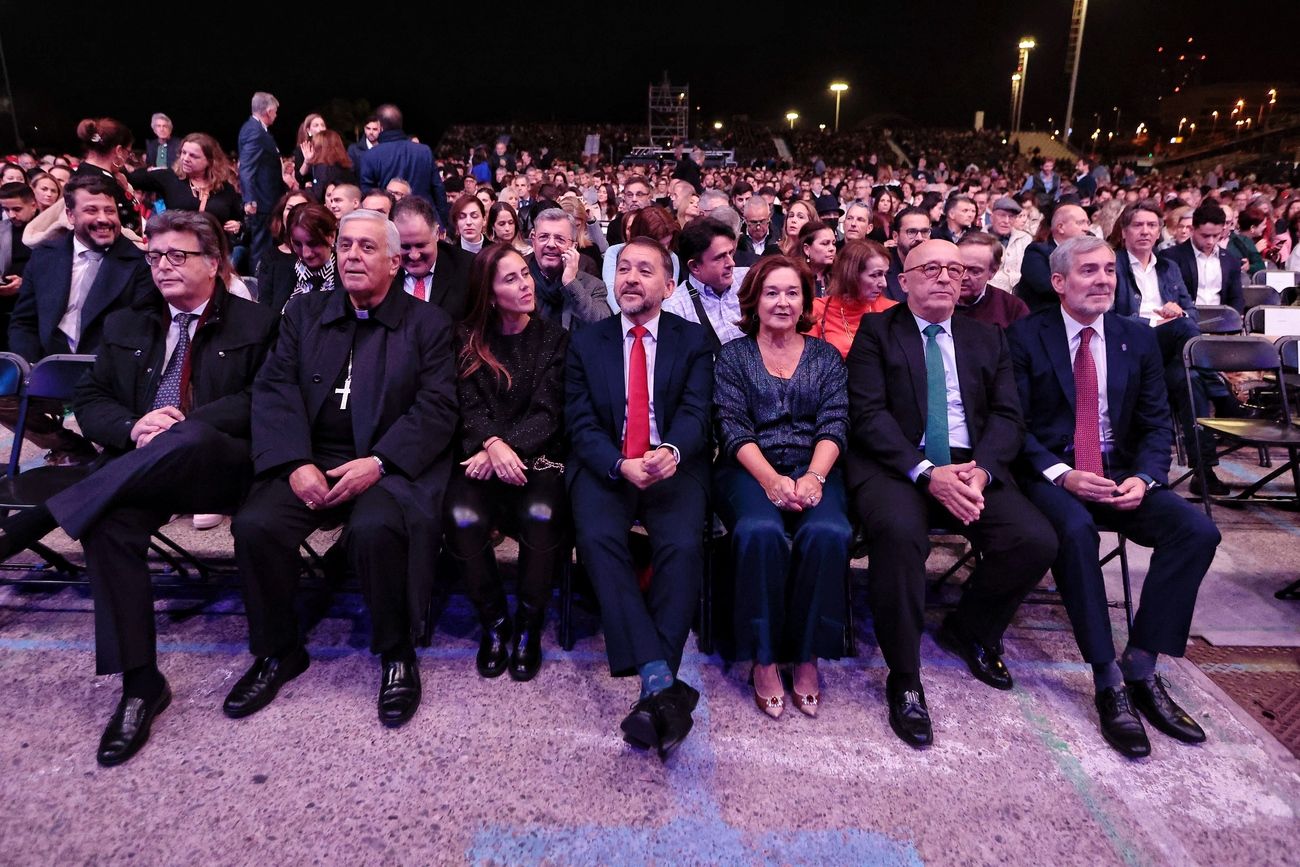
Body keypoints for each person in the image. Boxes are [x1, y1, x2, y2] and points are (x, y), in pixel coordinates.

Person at [0, 210, 276, 766]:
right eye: (154, 256)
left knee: (190, 438)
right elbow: (94, 400)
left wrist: (179, 426)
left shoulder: (258, 322)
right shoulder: (128, 322)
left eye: (179, 255)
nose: (163, 266)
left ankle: (67, 499)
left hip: (219, 465)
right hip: (140, 467)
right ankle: (140, 683)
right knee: (107, 521)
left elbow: (263, 400)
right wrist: (134, 426)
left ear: (214, 262)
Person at [227, 209, 457, 727]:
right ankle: (278, 649)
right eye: (346, 246)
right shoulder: (305, 313)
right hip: (310, 454)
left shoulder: (428, 324)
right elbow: (275, 388)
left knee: (376, 528)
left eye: (367, 248)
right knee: (256, 525)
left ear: (396, 263)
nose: (352, 255)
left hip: (387, 459)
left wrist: (379, 462)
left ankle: (396, 652)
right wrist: (292, 462)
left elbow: (438, 407)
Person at [1007, 235, 1221, 759]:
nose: (1103, 279)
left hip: (1121, 473)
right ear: (1058, 282)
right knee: (1076, 531)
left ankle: (1141, 667)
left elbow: (1154, 425)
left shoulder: (1136, 337)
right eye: (1088, 271)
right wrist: (1062, 474)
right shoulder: (1023, 336)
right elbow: (1013, 427)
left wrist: (1145, 479)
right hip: (1053, 474)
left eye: (1108, 269)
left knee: (1196, 531)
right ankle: (1107, 679)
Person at [845, 238, 1058, 748]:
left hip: (970, 467)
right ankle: (904, 675)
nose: (945, 278)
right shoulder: (877, 331)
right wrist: (925, 471)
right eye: (932, 268)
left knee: (1034, 540)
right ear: (905, 280)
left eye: (955, 270)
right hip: (897, 466)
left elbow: (1009, 416)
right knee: (898, 535)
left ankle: (971, 629)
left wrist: (982, 471)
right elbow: (868, 415)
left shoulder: (988, 337)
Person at [564, 237, 713, 761]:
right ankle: (659, 679)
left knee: (681, 546)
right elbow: (579, 421)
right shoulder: (588, 341)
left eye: (644, 270)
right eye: (623, 268)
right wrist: (617, 462)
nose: (630, 278)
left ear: (668, 286)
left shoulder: (693, 342)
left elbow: (698, 412)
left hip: (672, 465)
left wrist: (671, 449)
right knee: (599, 538)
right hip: (608, 465)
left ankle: (653, 688)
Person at [712, 256, 850, 719]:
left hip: (817, 466)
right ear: (754, 299)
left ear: (806, 302)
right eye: (772, 292)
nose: (783, 302)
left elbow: (835, 422)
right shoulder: (733, 356)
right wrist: (771, 480)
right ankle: (764, 657)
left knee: (828, 532)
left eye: (793, 293)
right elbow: (732, 429)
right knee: (758, 531)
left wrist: (813, 476)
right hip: (749, 468)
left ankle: (807, 654)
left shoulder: (826, 356)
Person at [445, 243, 569, 682]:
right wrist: (490, 445)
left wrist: (501, 446)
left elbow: (548, 411)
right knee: (461, 515)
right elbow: (466, 404)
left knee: (541, 512)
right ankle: (495, 623)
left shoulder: (554, 338)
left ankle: (528, 627)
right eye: (511, 279)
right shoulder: (466, 338)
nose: (525, 284)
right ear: (490, 292)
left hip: (537, 457)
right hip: (481, 454)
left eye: (526, 273)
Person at [1110, 201, 1220, 495]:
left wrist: (1178, 312)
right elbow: (1106, 316)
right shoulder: (1113, 264)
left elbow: (1191, 312)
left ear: (1160, 231)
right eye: (1138, 225)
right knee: (1185, 332)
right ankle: (1221, 389)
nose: (1145, 231)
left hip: (1167, 353)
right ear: (1124, 231)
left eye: (1151, 225)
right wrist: (1152, 321)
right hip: (1129, 347)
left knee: (1190, 380)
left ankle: (1203, 470)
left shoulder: (1168, 267)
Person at [127, 133, 243, 240]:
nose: (185, 159)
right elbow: (132, 179)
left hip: (214, 253)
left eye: (193, 156)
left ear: (210, 160)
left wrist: (238, 225)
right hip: (179, 250)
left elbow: (239, 218)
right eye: (183, 152)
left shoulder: (224, 188)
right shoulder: (170, 178)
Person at [661, 216, 745, 349]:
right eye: (720, 257)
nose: (731, 263)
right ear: (694, 266)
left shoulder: (749, 280)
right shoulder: (675, 309)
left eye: (731, 253)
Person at [359, 104, 449, 227]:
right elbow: (438, 189)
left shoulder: (370, 156)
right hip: (425, 222)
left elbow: (368, 196)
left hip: (389, 225)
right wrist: (442, 223)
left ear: (380, 126)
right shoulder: (424, 151)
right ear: (400, 124)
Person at [524, 207, 611, 330]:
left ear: (573, 247)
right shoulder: (519, 280)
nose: (551, 244)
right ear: (533, 241)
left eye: (560, 239)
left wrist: (571, 283)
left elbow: (604, 326)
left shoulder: (593, 286)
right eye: (543, 237)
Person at [390, 196, 475, 320]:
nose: (414, 255)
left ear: (437, 234)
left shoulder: (467, 268)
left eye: (420, 245)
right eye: (405, 247)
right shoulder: (381, 271)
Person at [810, 239, 897, 357]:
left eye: (884, 274)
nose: (884, 283)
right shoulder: (818, 309)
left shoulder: (892, 311)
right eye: (875, 275)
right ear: (851, 276)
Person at [1158, 203, 1244, 313]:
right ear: (1192, 230)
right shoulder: (1171, 257)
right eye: (1205, 235)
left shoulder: (1230, 260)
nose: (1210, 241)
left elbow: (1236, 298)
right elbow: (1167, 295)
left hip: (1221, 321)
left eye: (1216, 235)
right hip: (1184, 321)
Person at [256, 202, 337, 314]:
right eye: (298, 244)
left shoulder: (346, 278)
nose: (306, 253)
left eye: (313, 243)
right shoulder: (278, 271)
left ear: (332, 236)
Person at [239, 92, 287, 267]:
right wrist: (250, 199)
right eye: (275, 112)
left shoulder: (257, 130)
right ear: (269, 110)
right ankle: (258, 287)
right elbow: (246, 166)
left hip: (266, 200)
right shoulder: (254, 131)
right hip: (262, 201)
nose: (276, 115)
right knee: (261, 247)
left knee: (265, 245)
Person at [1016, 203, 1090, 313]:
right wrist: (1085, 286)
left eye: (1088, 223)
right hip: (1043, 317)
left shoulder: (1088, 253)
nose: (1086, 229)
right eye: (1080, 223)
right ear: (1061, 227)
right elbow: (1046, 287)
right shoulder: (1036, 251)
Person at [955, 233, 1030, 329]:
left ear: (993, 272)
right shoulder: (934, 301)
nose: (964, 277)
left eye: (975, 271)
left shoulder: (1012, 308)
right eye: (957, 268)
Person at [884, 207, 934, 302]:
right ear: (895, 236)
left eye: (924, 232)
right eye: (911, 232)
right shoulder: (883, 268)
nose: (919, 238)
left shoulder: (939, 265)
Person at [985, 197, 1032, 292]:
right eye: (1002, 215)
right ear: (992, 217)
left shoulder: (1025, 239)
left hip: (1020, 294)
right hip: (990, 293)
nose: (1006, 221)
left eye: (1011, 217)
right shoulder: (979, 239)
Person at [797, 221, 836, 298]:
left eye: (833, 243)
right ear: (807, 249)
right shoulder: (795, 278)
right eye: (825, 243)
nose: (832, 248)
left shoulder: (839, 276)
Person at [291, 113, 327, 183]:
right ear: (309, 131)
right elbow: (299, 177)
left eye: (323, 125)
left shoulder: (332, 148)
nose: (321, 128)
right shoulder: (302, 150)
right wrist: (307, 161)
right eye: (316, 125)